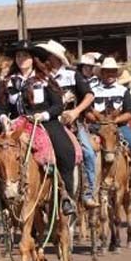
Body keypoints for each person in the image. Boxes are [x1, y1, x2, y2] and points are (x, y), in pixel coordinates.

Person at [0, 40, 78, 216]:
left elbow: (57, 106)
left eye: (25, 55)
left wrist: (44, 115)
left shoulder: (46, 79)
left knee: (65, 151)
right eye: (18, 56)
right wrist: (3, 118)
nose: (21, 59)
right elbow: (0, 107)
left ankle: (65, 196)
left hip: (44, 123)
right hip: (17, 124)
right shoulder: (7, 82)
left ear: (33, 59)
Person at [36, 40, 96, 209]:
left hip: (72, 123)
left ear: (56, 58)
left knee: (88, 153)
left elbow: (89, 95)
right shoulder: (40, 77)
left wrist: (76, 111)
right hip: (48, 122)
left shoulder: (72, 75)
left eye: (48, 55)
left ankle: (87, 192)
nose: (45, 59)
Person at [90, 57, 131, 197]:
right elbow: (87, 111)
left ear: (116, 73)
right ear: (102, 73)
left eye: (113, 72)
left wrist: (114, 121)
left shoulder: (123, 91)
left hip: (119, 127)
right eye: (107, 72)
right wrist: (102, 122)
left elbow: (129, 112)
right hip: (97, 127)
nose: (110, 74)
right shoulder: (93, 91)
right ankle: (86, 186)